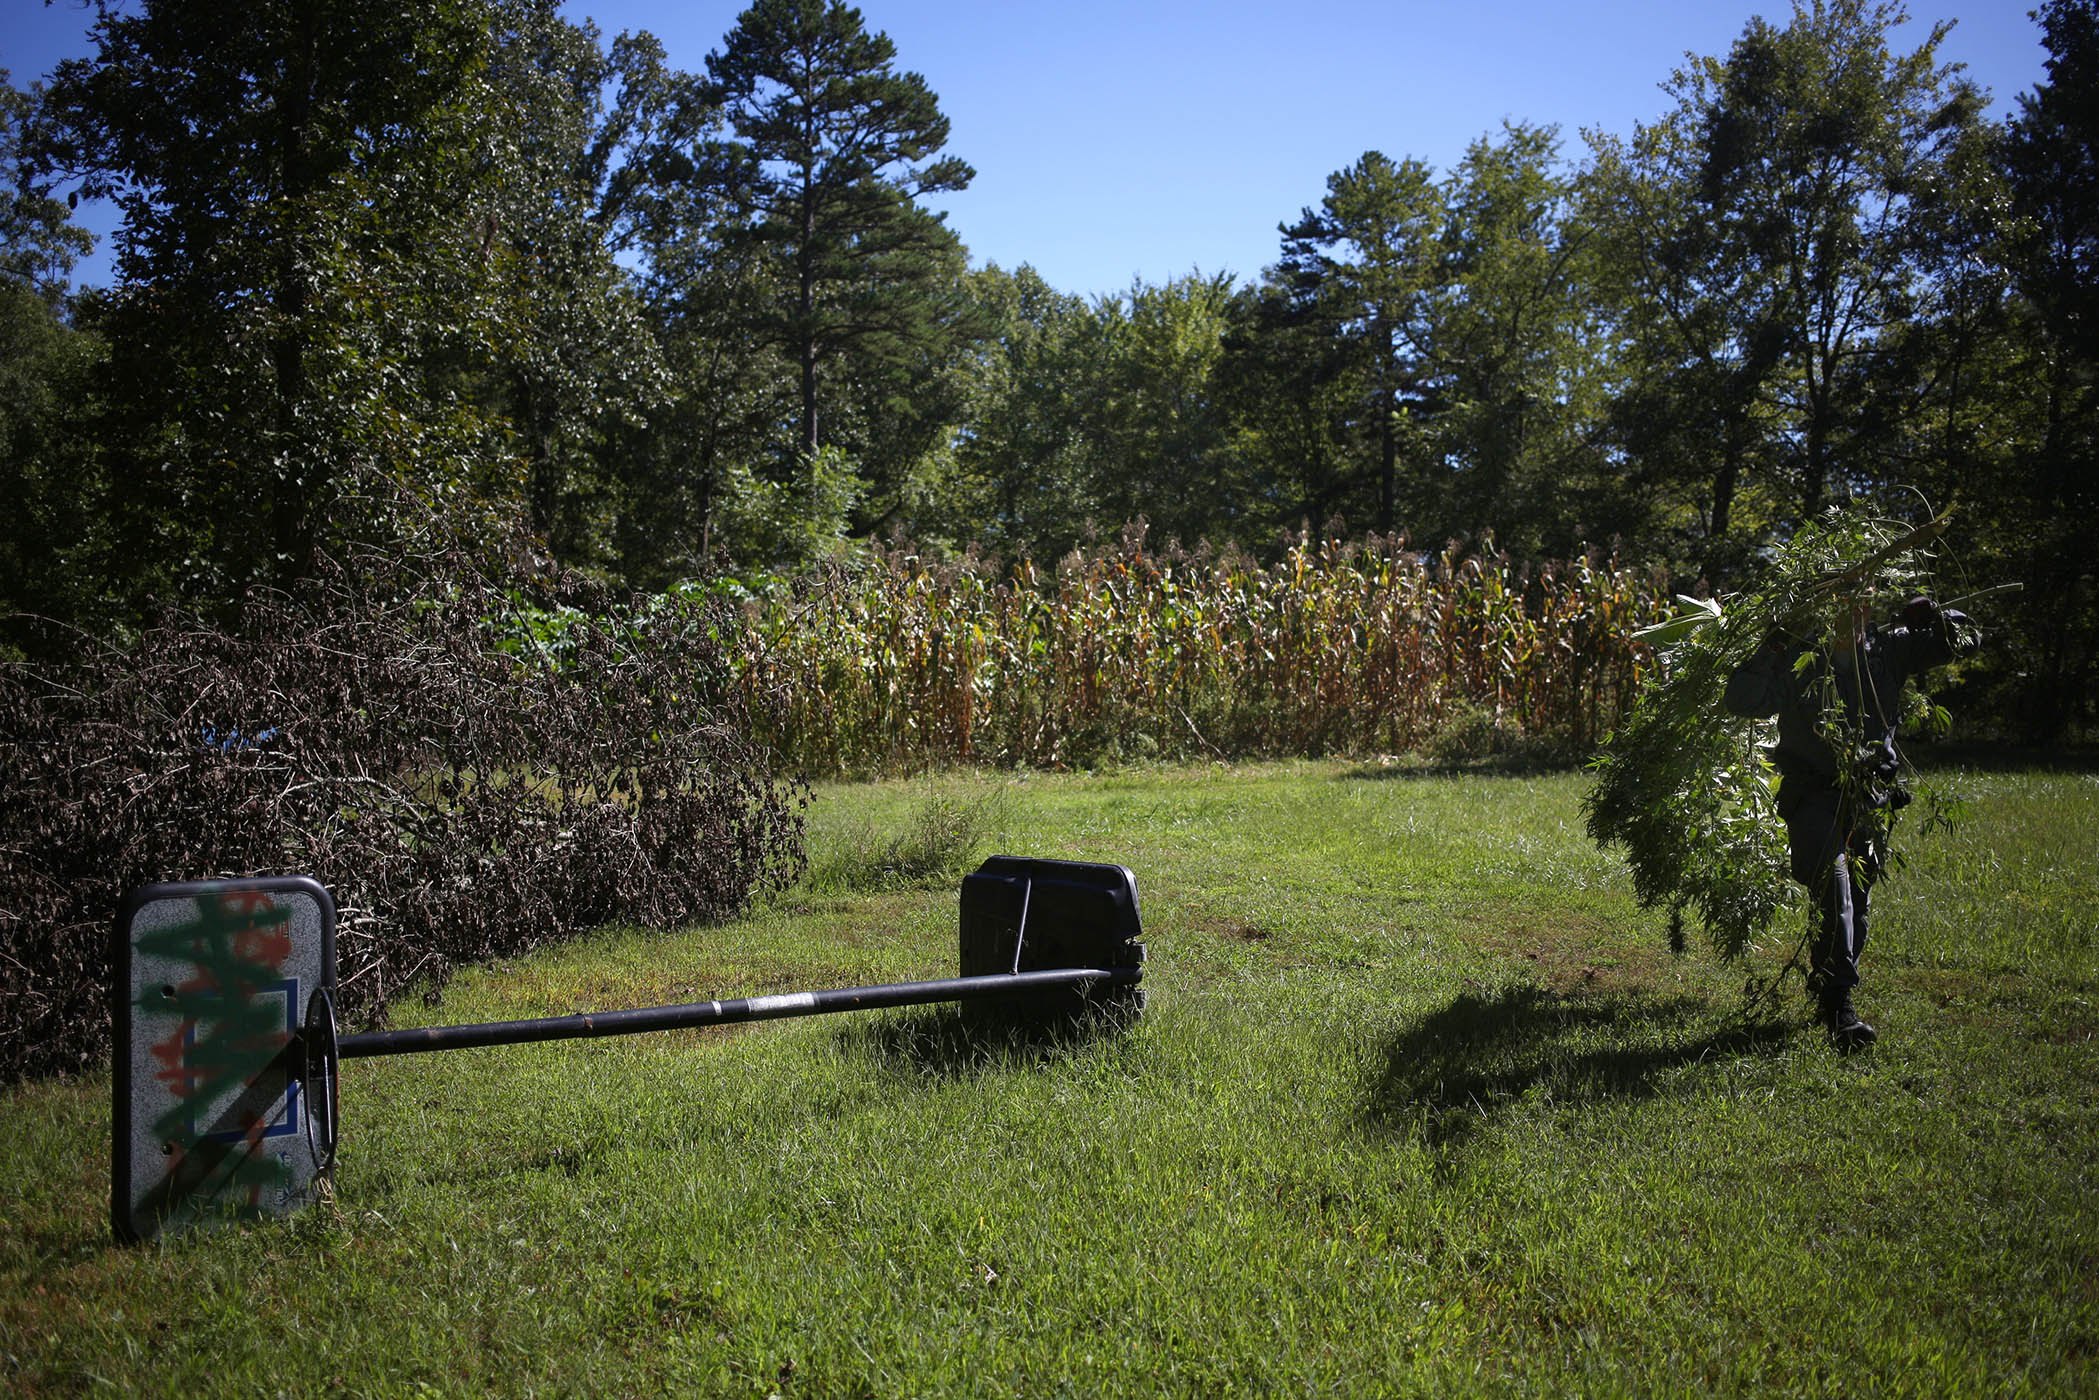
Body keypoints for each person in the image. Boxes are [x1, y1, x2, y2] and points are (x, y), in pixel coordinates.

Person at [1723, 594, 1977, 1050]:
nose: (1853, 612)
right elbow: (1742, 699)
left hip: (1869, 795)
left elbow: (1966, 638)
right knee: (1832, 876)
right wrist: (1774, 645)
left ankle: (1830, 989)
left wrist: (1937, 616)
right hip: (1813, 791)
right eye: (1842, 602)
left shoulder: (1889, 650)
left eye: (1862, 602)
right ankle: (1842, 1004)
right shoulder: (1802, 659)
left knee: (1857, 899)